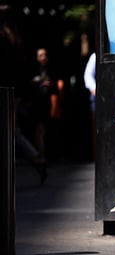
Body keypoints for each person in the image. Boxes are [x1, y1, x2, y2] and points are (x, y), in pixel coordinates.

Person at [0, 4, 47, 183]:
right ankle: (36, 159)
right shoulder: (15, 39)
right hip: (13, 91)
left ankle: (36, 159)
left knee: (12, 132)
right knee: (12, 132)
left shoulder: (7, 38)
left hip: (9, 91)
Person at [28, 47, 63, 164]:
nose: (43, 58)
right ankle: (40, 155)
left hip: (49, 103)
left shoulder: (52, 70)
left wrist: (49, 85)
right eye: (41, 55)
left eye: (45, 55)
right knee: (39, 129)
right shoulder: (33, 70)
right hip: (37, 103)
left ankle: (48, 155)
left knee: (48, 129)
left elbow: (57, 86)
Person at [83, 51, 96, 160]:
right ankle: (95, 154)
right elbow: (88, 76)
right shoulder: (95, 56)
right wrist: (94, 88)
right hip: (97, 95)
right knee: (95, 125)